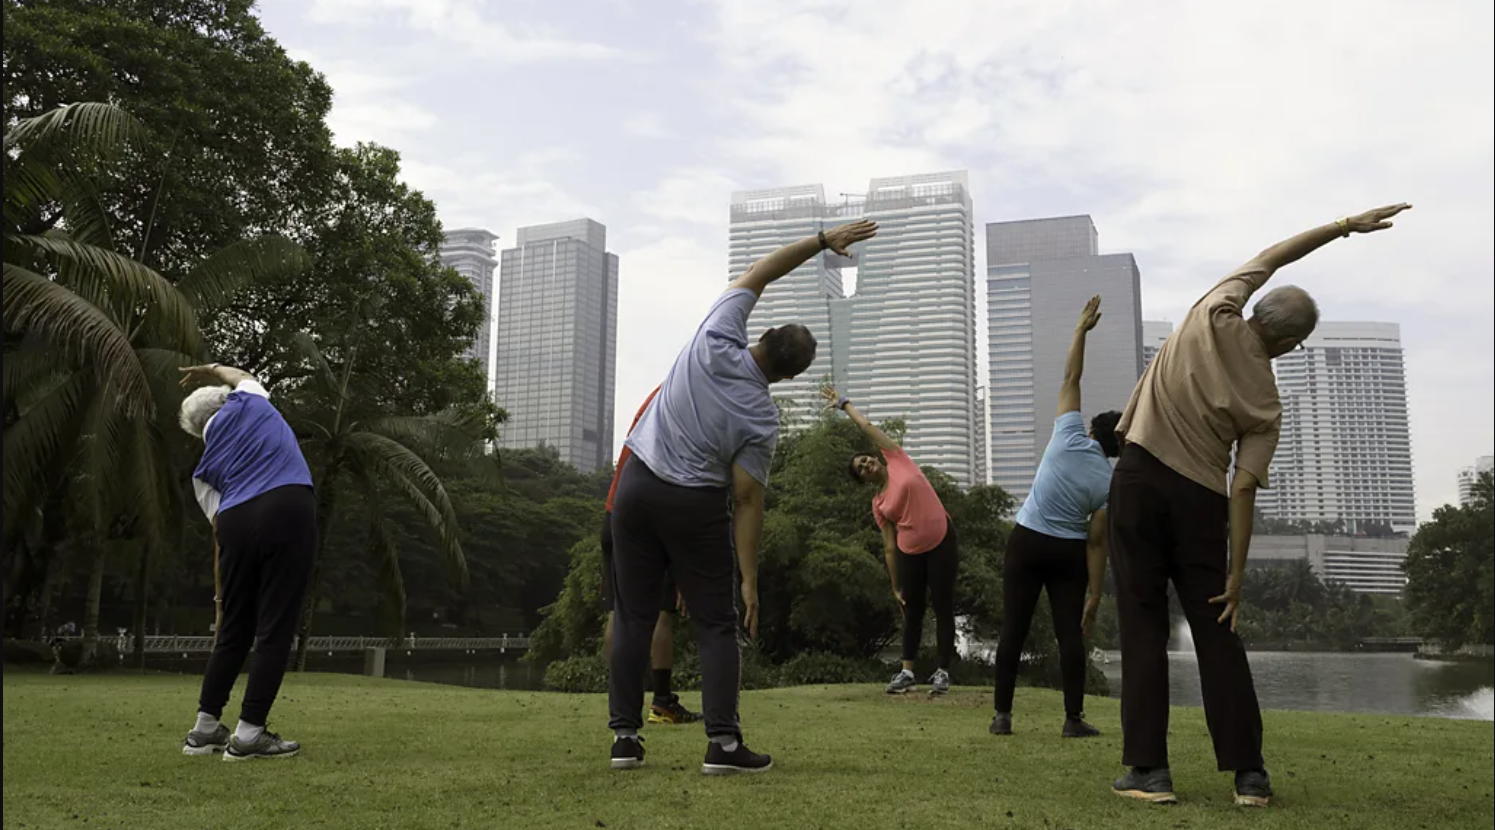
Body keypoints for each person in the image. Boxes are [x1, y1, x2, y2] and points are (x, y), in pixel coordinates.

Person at [1108, 204, 1411, 807]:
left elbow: (1276, 255)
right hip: (1202, 501)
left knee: (1141, 626)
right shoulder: (1267, 402)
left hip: (1140, 480)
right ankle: (1249, 776)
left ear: (1257, 307)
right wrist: (1236, 578)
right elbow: (1241, 489)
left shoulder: (1213, 309)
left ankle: (1149, 772)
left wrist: (1342, 226)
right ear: (1291, 342)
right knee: (1217, 632)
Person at [608, 218, 878, 775]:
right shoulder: (761, 417)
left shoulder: (714, 335)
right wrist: (748, 579)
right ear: (790, 376)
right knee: (715, 623)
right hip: (695, 505)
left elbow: (762, 271)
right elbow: (748, 500)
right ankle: (723, 745)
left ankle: (626, 740)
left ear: (762, 333)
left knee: (632, 617)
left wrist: (823, 242)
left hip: (636, 486)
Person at [177, 362, 317, 762]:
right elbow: (239, 377)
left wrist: (224, 599)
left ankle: (204, 731)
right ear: (223, 401)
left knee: (234, 632)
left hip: (236, 522)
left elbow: (220, 534)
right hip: (287, 504)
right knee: (275, 626)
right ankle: (249, 733)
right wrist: (212, 368)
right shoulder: (249, 402)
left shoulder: (202, 473)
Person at [991, 296, 1117, 739]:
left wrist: (1080, 329)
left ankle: (1002, 716)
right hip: (1068, 553)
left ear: (1089, 430)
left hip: (1027, 541)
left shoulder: (1066, 434)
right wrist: (1094, 597)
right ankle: (1072, 719)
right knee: (1070, 637)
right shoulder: (1107, 482)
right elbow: (1097, 542)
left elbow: (1071, 376)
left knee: (1015, 629)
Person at [822, 380, 959, 699]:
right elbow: (888, 545)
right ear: (863, 479)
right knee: (912, 612)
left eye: (865, 460)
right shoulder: (878, 505)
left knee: (942, 607)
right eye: (861, 469)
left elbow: (867, 426)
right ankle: (907, 672)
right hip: (910, 552)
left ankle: (942, 672)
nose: (866, 464)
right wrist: (895, 586)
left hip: (941, 540)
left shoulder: (897, 459)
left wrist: (844, 404)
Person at [601, 384, 700, 725]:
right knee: (661, 612)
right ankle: (661, 701)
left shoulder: (654, 402)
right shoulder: (690, 408)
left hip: (615, 510)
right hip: (652, 516)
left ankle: (619, 696)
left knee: (619, 608)